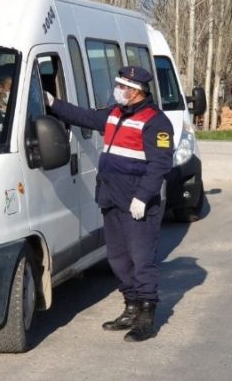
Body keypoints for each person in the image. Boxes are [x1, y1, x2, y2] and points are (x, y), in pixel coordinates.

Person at [46, 65, 174, 342]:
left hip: (137, 202)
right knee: (118, 258)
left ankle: (146, 316)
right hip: (111, 197)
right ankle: (131, 307)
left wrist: (143, 197)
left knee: (141, 260)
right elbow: (84, 116)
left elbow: (160, 164)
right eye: (118, 85)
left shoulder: (156, 121)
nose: (118, 90)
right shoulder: (115, 113)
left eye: (123, 87)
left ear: (137, 91)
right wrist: (53, 103)